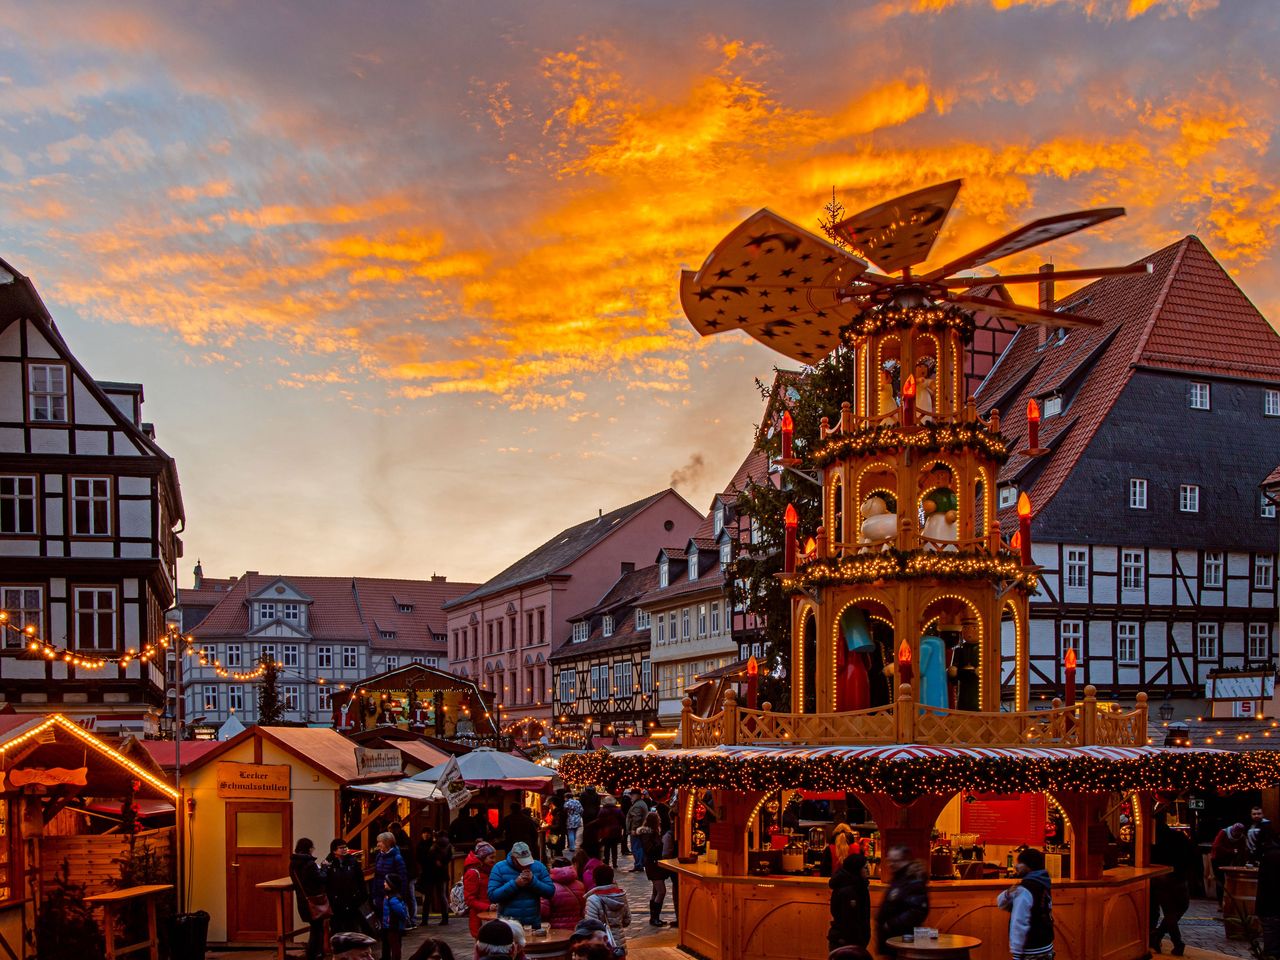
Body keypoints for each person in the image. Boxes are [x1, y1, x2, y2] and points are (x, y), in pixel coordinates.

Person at [997, 847, 1054, 960]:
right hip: (1046, 946)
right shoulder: (1043, 883)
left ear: (1029, 866)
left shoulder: (1024, 890)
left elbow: (1019, 921)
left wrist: (1016, 952)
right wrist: (1008, 893)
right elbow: (1001, 902)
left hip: (1030, 950)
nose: (1016, 866)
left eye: (1020, 863)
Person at [874, 846, 929, 955]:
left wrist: (891, 924)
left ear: (905, 860)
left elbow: (917, 911)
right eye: (889, 860)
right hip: (892, 940)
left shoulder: (913, 880)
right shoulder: (899, 877)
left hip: (903, 941)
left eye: (895, 861)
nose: (891, 864)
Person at [1150, 822, 1194, 955]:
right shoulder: (1179, 837)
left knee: (1169, 911)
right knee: (1180, 908)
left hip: (1161, 876)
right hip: (1179, 876)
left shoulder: (1152, 841)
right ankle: (1171, 940)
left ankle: (1163, 937)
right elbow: (1191, 853)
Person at [488, 840, 555, 928]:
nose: (525, 865)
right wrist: (515, 884)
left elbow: (550, 892)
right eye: (522, 862)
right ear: (513, 858)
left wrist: (533, 882)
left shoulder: (538, 867)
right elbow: (492, 896)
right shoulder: (499, 868)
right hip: (508, 925)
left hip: (533, 924)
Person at [290, 837, 330, 960]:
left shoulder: (293, 864)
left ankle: (313, 954)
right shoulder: (310, 864)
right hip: (314, 901)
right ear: (309, 849)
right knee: (317, 929)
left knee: (315, 927)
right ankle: (314, 954)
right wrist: (324, 867)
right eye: (312, 848)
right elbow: (322, 878)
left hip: (303, 900)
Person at [828, 852, 871, 953]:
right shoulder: (848, 890)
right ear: (857, 869)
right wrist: (859, 940)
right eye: (865, 867)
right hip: (846, 941)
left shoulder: (859, 885)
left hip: (852, 941)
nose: (868, 870)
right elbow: (849, 920)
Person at [326, 838, 371, 934]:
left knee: (352, 925)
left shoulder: (352, 861)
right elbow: (327, 882)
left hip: (352, 898)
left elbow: (360, 879)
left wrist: (362, 894)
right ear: (334, 850)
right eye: (341, 848)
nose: (344, 849)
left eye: (345, 847)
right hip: (336, 901)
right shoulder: (329, 863)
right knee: (337, 927)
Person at [584, 864, 631, 952]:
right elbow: (627, 920)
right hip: (620, 945)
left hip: (602, 945)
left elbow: (591, 927)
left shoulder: (593, 899)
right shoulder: (621, 896)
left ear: (594, 879)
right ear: (612, 878)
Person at [637, 811, 668, 926]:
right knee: (661, 891)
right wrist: (661, 844)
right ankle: (655, 918)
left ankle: (654, 917)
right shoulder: (648, 834)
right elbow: (649, 849)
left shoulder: (653, 833)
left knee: (655, 891)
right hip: (653, 865)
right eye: (658, 819)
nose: (660, 820)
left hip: (655, 864)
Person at [419, 828, 454, 925]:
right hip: (442, 873)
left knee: (428, 896)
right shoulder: (448, 845)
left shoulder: (433, 846)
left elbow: (427, 858)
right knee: (442, 896)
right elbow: (449, 858)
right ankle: (445, 918)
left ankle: (424, 920)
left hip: (430, 873)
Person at [463, 841, 497, 938]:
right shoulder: (473, 873)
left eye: (494, 857)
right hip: (479, 918)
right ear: (483, 857)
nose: (494, 860)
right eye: (491, 857)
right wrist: (487, 907)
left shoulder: (490, 870)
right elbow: (469, 900)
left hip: (491, 915)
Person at [543, 856, 587, 930]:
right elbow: (583, 909)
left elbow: (544, 912)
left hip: (556, 930)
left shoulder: (548, 887)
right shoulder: (580, 885)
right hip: (576, 929)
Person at [1256, 825, 1280, 959]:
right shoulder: (1273, 854)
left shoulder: (1268, 855)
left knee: (1271, 944)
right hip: (1273, 906)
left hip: (1268, 905)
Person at [374, 832, 408, 920]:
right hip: (380, 894)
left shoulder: (397, 857)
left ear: (387, 843)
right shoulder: (379, 856)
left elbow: (403, 878)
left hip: (392, 895)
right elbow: (376, 876)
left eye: (380, 842)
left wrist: (401, 896)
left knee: (392, 919)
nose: (378, 844)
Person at [389, 822, 418, 927]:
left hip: (408, 873)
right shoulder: (406, 840)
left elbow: (408, 858)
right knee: (409, 897)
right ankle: (410, 919)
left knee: (408, 896)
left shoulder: (399, 844)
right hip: (409, 873)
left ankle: (410, 919)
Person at [1211, 822, 1248, 902]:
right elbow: (1216, 846)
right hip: (1218, 858)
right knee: (1220, 879)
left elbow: (1243, 849)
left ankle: (1229, 899)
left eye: (1238, 833)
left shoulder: (1242, 837)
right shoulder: (1223, 833)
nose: (1236, 834)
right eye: (1235, 832)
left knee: (1231, 879)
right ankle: (1220, 901)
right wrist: (1231, 851)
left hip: (1230, 859)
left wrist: (1243, 860)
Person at [381, 875, 409, 960]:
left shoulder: (393, 898)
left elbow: (400, 912)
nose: (384, 883)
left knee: (395, 946)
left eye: (386, 882)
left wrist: (403, 921)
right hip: (389, 926)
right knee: (390, 944)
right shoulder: (389, 896)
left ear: (391, 884)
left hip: (393, 926)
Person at [595, 796, 625, 869]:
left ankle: (606, 862)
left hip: (606, 832)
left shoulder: (603, 810)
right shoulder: (617, 810)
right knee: (614, 847)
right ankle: (615, 863)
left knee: (607, 848)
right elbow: (623, 819)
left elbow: (599, 821)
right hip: (616, 832)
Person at [624, 789, 649, 871]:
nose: (631, 797)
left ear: (637, 795)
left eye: (632, 795)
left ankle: (639, 864)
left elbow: (636, 818)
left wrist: (634, 829)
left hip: (637, 830)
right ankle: (639, 864)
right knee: (638, 847)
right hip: (640, 829)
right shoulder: (640, 803)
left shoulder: (637, 805)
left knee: (636, 847)